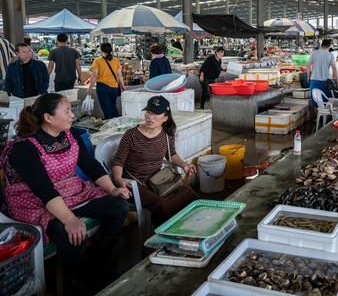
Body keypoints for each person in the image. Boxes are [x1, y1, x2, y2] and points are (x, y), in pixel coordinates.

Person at [1, 93, 130, 292]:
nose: (72, 115)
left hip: (72, 191)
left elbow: (90, 166)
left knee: (118, 206)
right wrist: (70, 219)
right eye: (67, 111)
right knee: (70, 233)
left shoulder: (71, 136)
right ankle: (76, 279)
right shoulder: (24, 149)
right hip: (34, 202)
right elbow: (43, 189)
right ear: (48, 118)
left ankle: (96, 260)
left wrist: (113, 189)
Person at [111, 96, 197, 225]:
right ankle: (162, 235)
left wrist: (184, 165)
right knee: (161, 205)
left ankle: (189, 226)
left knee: (188, 192)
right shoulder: (131, 135)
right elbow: (118, 161)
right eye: (148, 112)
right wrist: (118, 179)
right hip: (135, 184)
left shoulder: (167, 134)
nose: (150, 117)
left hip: (156, 180)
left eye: (156, 113)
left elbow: (171, 154)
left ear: (165, 117)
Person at [87, 43, 125, 120]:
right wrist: (122, 85)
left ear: (101, 50)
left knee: (106, 108)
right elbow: (119, 75)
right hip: (114, 87)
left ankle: (110, 126)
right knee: (113, 106)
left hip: (102, 87)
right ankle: (117, 123)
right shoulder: (116, 60)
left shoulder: (97, 61)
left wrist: (90, 89)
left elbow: (94, 76)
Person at [307, 39, 337, 107]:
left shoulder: (314, 53)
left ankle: (316, 115)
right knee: (325, 102)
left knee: (315, 101)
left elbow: (308, 65)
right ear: (329, 46)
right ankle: (324, 116)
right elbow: (334, 69)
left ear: (321, 45)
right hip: (325, 81)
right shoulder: (330, 55)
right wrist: (334, 79)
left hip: (314, 80)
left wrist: (308, 76)